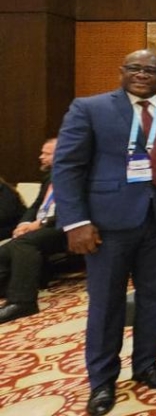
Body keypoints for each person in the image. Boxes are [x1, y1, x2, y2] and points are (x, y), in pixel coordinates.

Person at [52, 50, 156, 416]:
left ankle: (147, 363)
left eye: (151, 70)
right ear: (122, 71)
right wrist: (76, 222)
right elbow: (67, 166)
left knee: (155, 297)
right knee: (106, 303)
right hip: (107, 225)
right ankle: (102, 380)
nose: (143, 74)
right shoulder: (89, 108)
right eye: (135, 68)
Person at [0, 138, 66, 324]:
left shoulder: (77, 176)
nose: (40, 157)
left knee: (23, 243)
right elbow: (36, 206)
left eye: (46, 153)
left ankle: (22, 302)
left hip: (63, 226)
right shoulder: (49, 178)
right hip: (41, 229)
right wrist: (23, 224)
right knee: (5, 251)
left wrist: (40, 223)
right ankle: (35, 277)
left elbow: (72, 208)